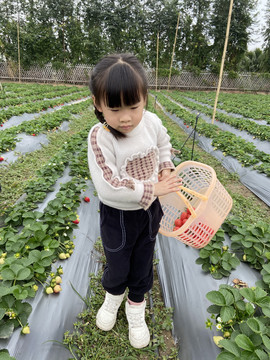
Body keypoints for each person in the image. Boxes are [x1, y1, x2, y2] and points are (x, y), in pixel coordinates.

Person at [87, 53, 181, 349]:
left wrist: (165, 166)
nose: (126, 117)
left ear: (145, 99)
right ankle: (113, 296)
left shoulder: (151, 122)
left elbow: (163, 143)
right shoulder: (100, 137)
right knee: (117, 261)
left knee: (143, 260)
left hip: (150, 211)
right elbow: (109, 187)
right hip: (118, 217)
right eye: (114, 109)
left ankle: (136, 305)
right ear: (97, 104)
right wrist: (156, 185)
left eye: (134, 106)